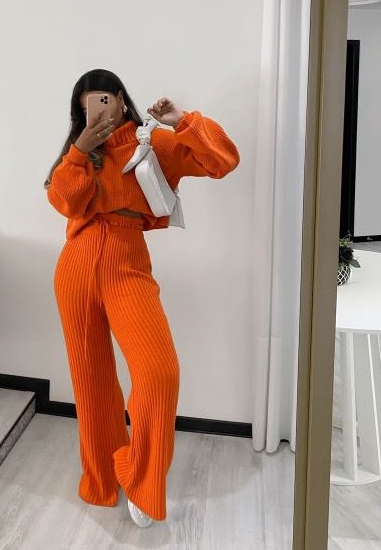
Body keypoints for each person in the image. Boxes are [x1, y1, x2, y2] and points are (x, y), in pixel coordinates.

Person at [44, 68, 240, 527]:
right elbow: (66, 203)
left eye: (103, 101)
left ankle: (141, 476)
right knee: (91, 383)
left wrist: (182, 120)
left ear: (119, 98)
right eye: (86, 108)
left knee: (159, 372)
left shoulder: (150, 144)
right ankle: (100, 477)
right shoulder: (78, 155)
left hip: (127, 263)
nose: (97, 113)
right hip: (76, 267)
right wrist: (80, 150)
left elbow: (222, 161)